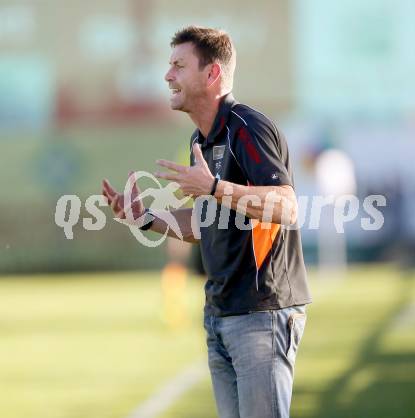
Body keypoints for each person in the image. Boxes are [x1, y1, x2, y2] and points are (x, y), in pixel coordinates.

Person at [102, 26, 312, 418]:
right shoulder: (203, 140)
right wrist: (144, 217)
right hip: (221, 315)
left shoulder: (247, 128)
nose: (168, 76)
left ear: (212, 74)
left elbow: (287, 207)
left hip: (260, 313)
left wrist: (215, 187)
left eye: (179, 66)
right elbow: (205, 224)